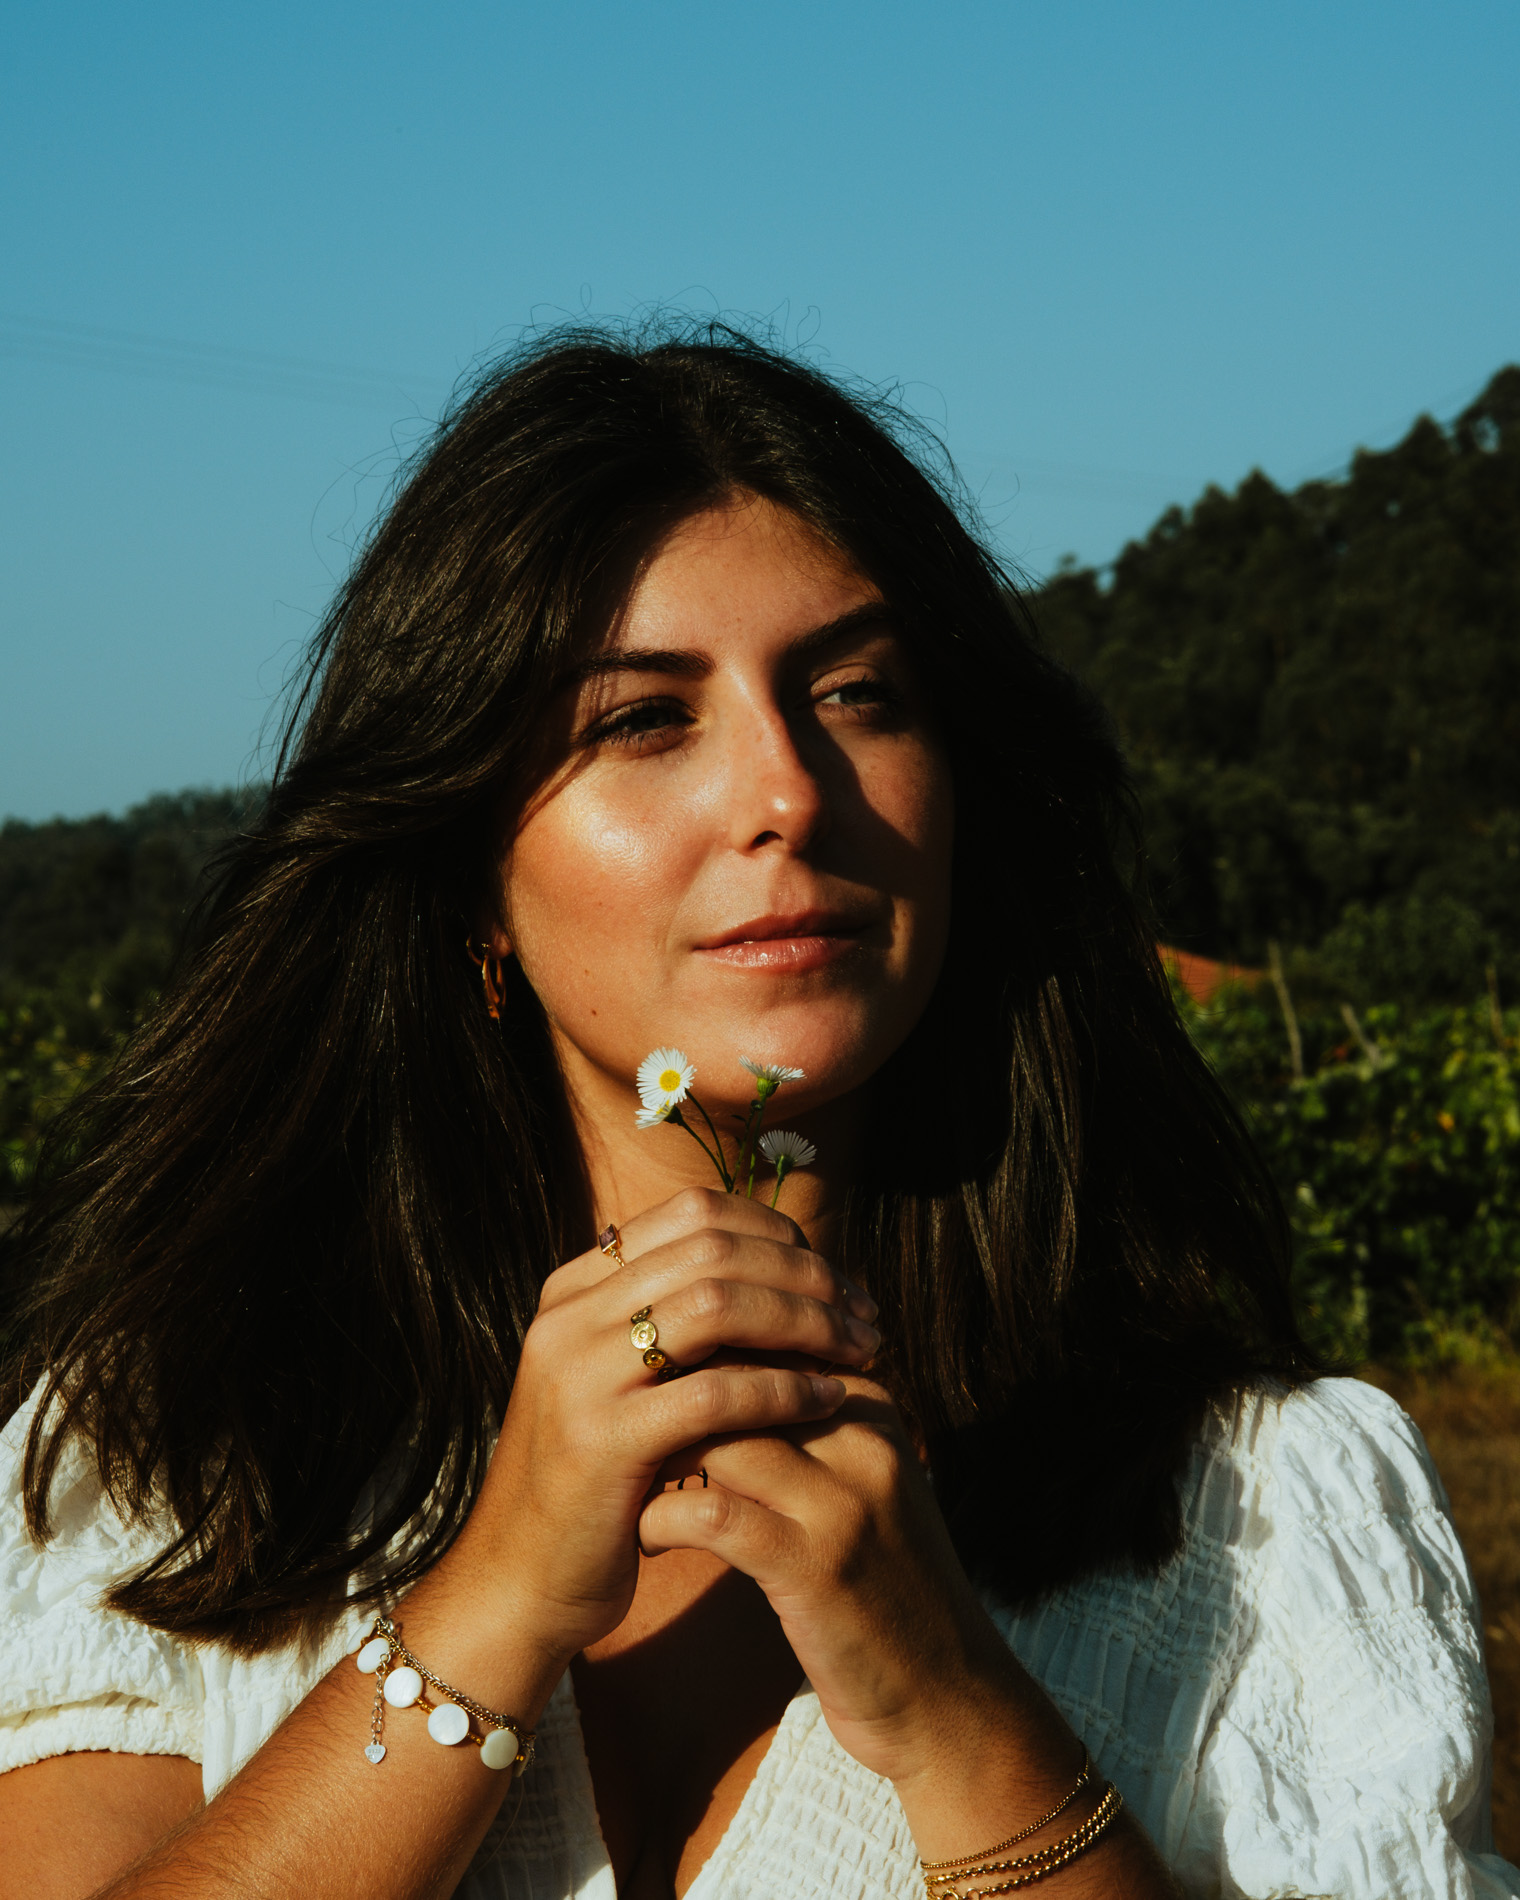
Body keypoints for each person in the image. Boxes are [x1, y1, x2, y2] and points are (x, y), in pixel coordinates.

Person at [0, 325, 1513, 1900]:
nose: (787, 793)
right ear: (469, 884)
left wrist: (955, 1710)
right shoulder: (183, 1454)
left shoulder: (1263, 1515)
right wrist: (489, 1604)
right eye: (643, 720)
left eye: (858, 694)